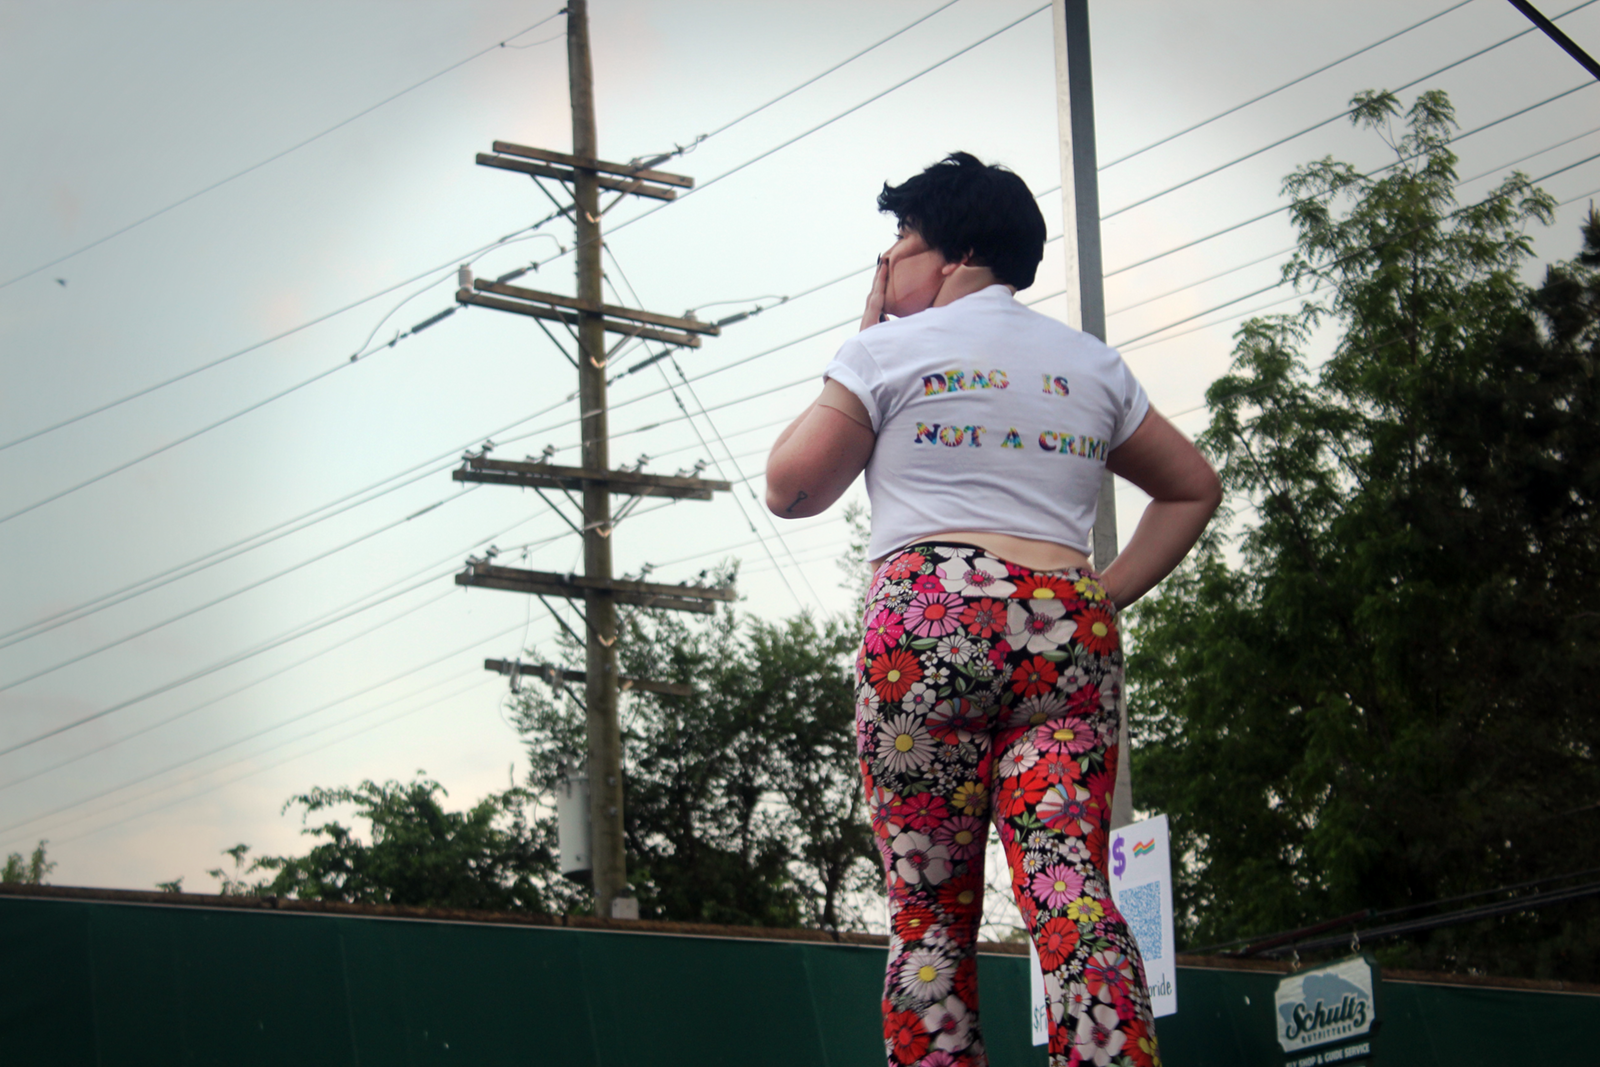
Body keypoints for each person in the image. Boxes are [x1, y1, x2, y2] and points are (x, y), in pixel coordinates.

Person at [766, 152, 1219, 1067]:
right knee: (1069, 886)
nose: (886, 262)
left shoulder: (884, 350)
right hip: (1065, 630)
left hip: (929, 631)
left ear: (957, 252)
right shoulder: (1090, 363)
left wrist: (852, 353)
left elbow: (790, 488)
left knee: (930, 909)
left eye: (901, 239)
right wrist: (1100, 594)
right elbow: (1193, 487)